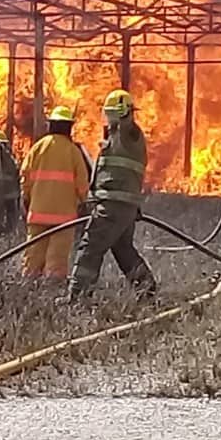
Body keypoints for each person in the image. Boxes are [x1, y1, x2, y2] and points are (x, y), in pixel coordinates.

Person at [60, 89, 155, 303]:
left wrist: (124, 116)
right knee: (123, 250)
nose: (108, 118)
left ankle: (78, 296)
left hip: (113, 205)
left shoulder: (129, 133)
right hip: (121, 205)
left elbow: (127, 127)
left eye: (112, 113)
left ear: (122, 113)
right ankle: (147, 289)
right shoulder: (117, 138)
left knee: (90, 246)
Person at [20, 106, 89, 281]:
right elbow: (82, 185)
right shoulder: (73, 152)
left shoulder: (37, 148)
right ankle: (53, 290)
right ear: (68, 127)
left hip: (37, 214)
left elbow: (25, 177)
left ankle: (28, 289)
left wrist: (26, 199)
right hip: (64, 219)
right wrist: (85, 203)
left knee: (33, 257)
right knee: (57, 260)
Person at [0, 129, 21, 233]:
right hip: (10, 193)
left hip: (1, 193)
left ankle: (2, 234)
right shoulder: (10, 157)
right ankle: (7, 234)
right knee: (10, 218)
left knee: (0, 217)